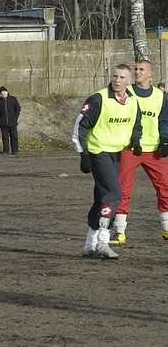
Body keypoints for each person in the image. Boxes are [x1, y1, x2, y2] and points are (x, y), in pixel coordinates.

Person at [72, 64, 141, 259]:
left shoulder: (133, 102)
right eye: (115, 76)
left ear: (129, 81)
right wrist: (83, 153)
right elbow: (81, 126)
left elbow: (136, 123)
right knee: (113, 193)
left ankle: (89, 244)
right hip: (98, 151)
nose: (117, 80)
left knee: (101, 197)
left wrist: (136, 140)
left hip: (117, 153)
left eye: (122, 77)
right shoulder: (98, 99)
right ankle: (103, 241)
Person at [111, 60, 168, 244]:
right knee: (123, 189)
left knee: (165, 188)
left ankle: (166, 228)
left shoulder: (161, 96)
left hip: (154, 150)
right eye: (135, 69)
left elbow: (164, 121)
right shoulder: (126, 93)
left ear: (151, 73)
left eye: (141, 69)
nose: (137, 72)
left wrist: (165, 140)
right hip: (130, 149)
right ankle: (120, 232)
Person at [0, 86, 21, 155]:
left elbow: (18, 109)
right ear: (0, 93)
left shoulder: (13, 99)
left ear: (7, 92)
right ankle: (6, 150)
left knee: (14, 137)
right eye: (1, 93)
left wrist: (15, 118)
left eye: (4, 92)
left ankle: (15, 150)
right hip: (3, 124)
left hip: (13, 123)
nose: (3, 93)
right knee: (5, 138)